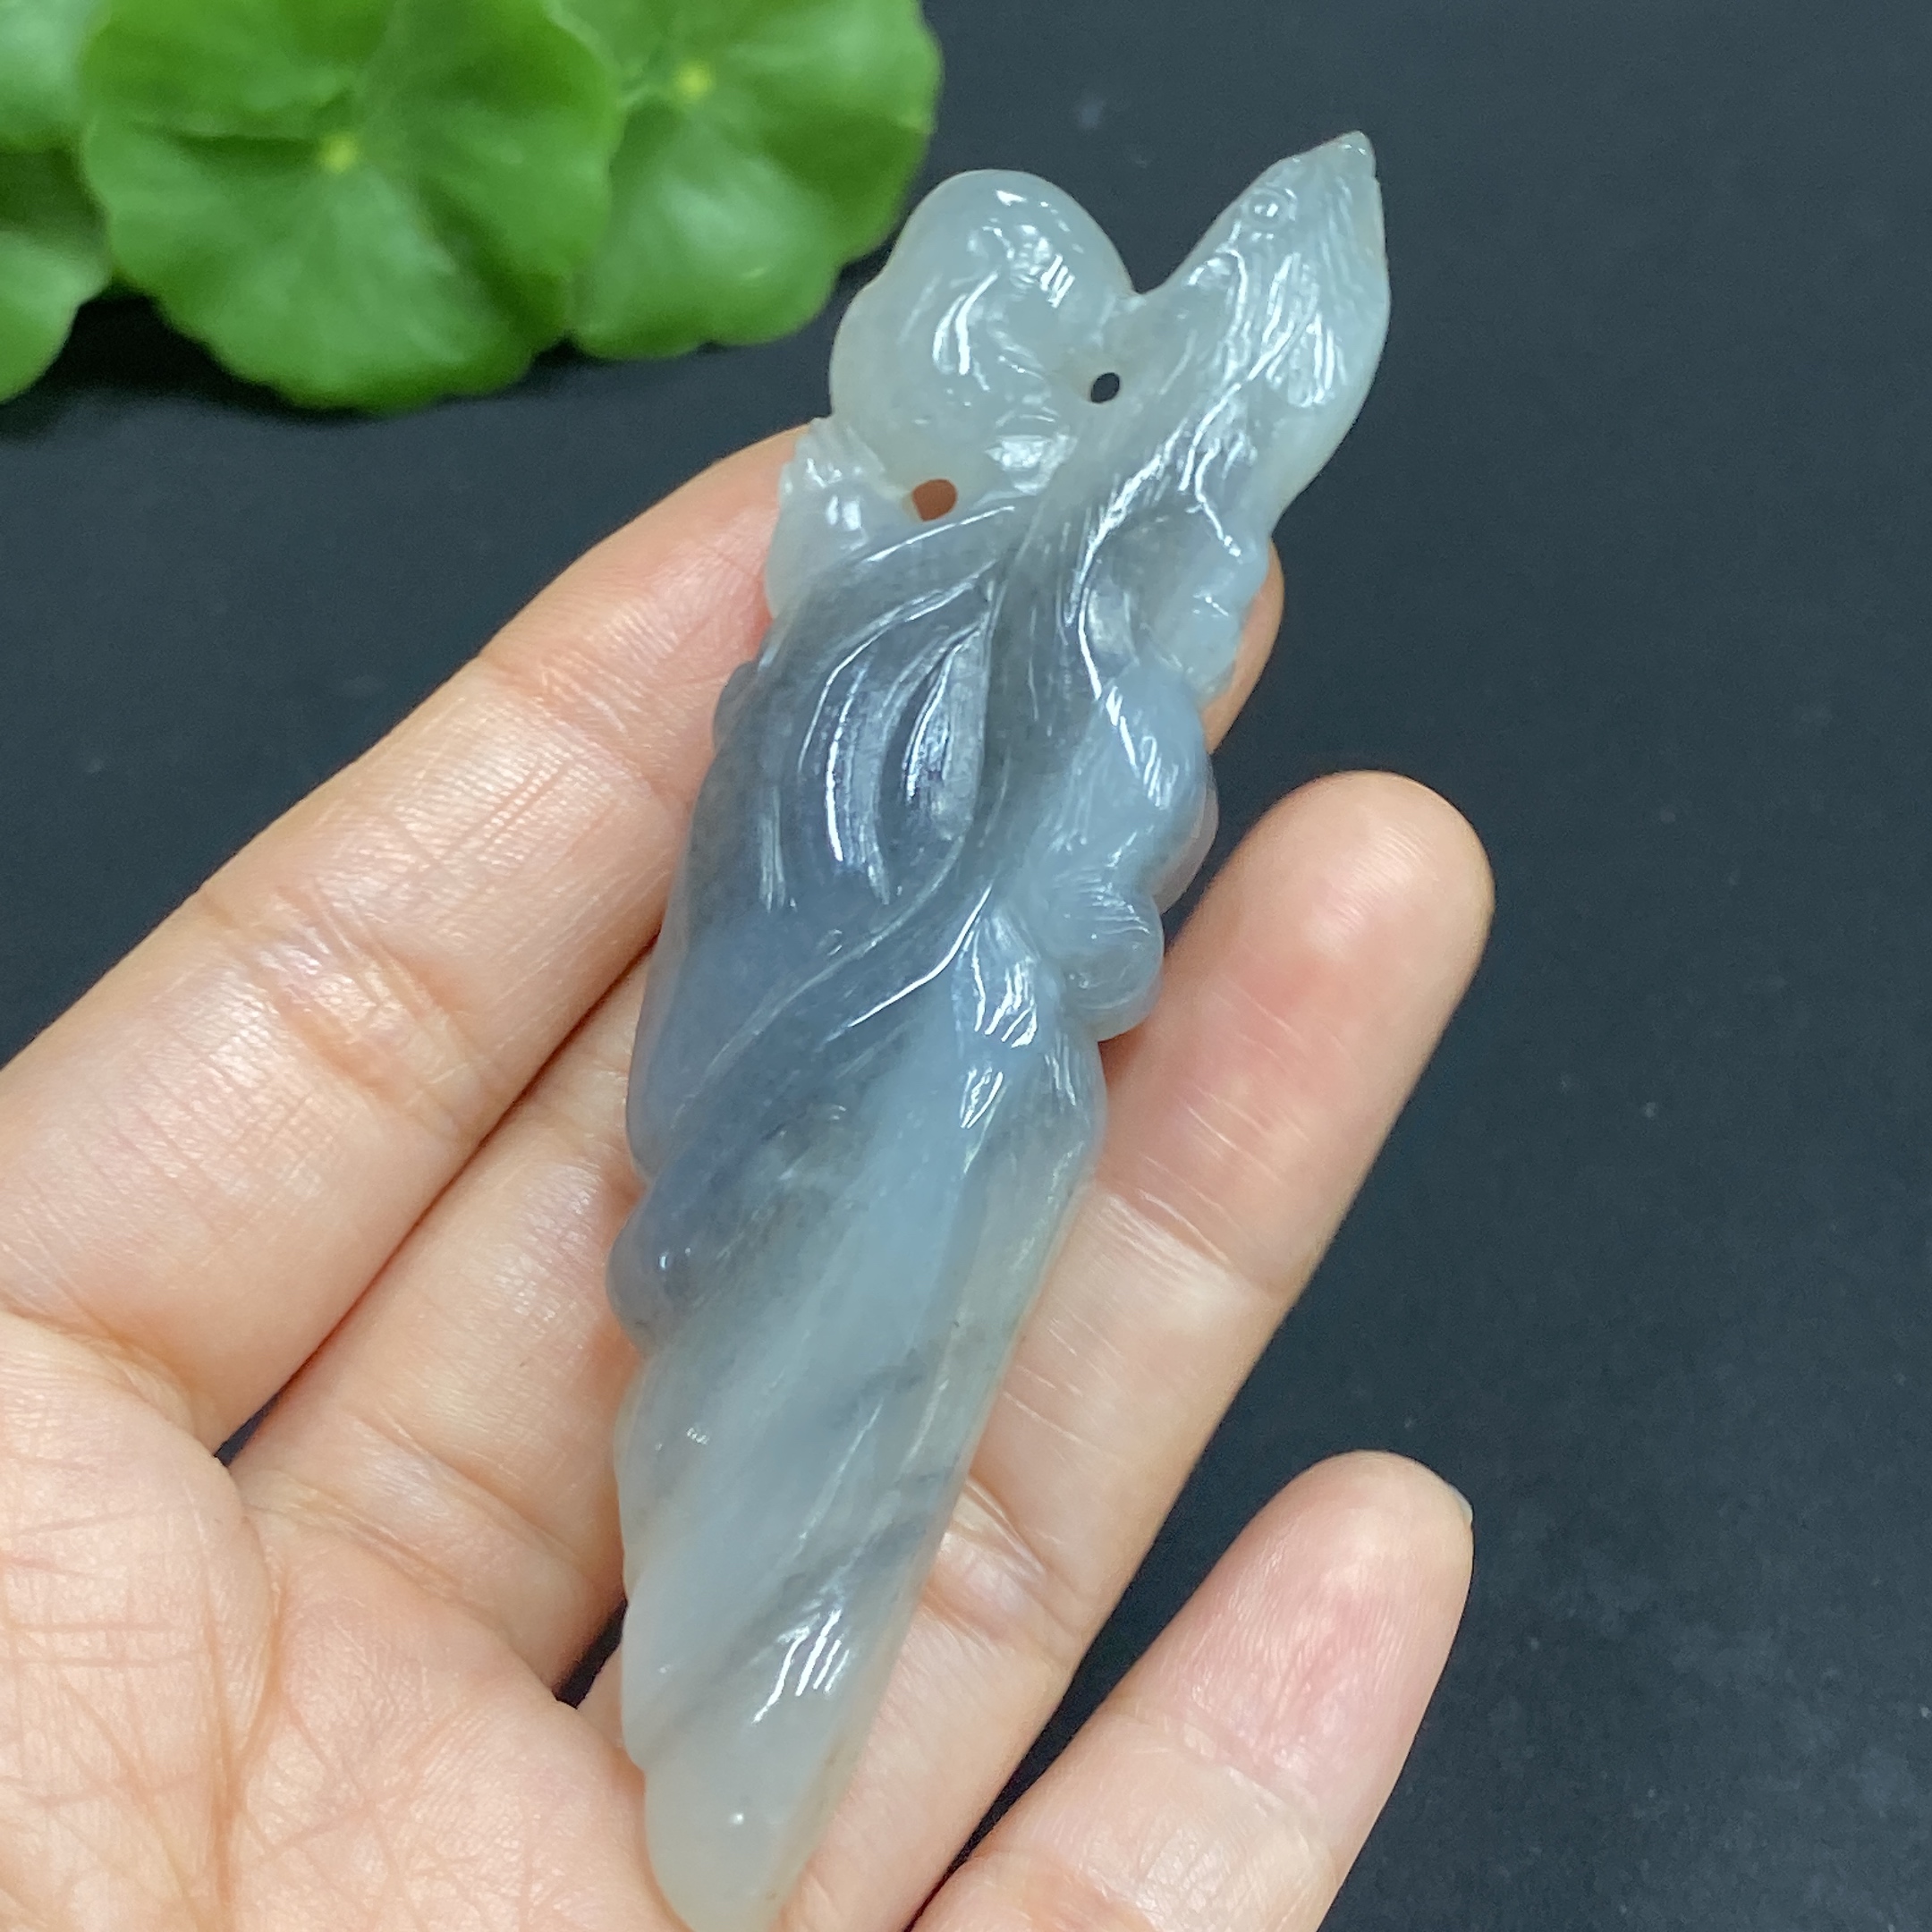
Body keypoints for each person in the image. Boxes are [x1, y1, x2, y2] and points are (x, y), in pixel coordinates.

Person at [0, 432, 1491, 1930]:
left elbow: (1084, 933)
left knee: (820, 1428)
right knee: (796, 1418)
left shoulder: (1006, 673)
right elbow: (1067, 937)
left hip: (957, 1086)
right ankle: (737, 1743)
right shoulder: (992, 674)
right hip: (930, 1081)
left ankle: (740, 1745)